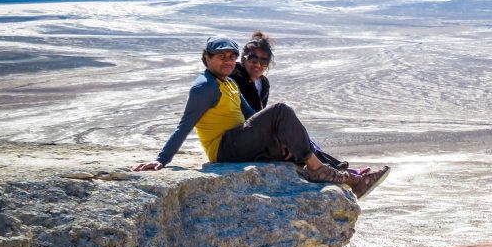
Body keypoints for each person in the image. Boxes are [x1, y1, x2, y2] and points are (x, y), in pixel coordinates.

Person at [132, 37, 389, 199]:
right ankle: (319, 171)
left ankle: (352, 181)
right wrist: (161, 160)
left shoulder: (226, 84)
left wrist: (279, 139)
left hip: (240, 142)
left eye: (231, 57)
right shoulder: (205, 87)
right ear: (207, 58)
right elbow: (184, 125)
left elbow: (253, 117)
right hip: (224, 149)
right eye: (221, 56)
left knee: (285, 133)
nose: (228, 61)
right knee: (281, 110)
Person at [231, 31, 350, 171]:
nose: (258, 64)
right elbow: (250, 117)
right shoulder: (236, 78)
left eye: (263, 61)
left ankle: (334, 167)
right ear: (243, 59)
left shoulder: (263, 83)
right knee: (289, 135)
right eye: (253, 59)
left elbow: (261, 115)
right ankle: (331, 169)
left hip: (256, 132)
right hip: (241, 136)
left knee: (298, 136)